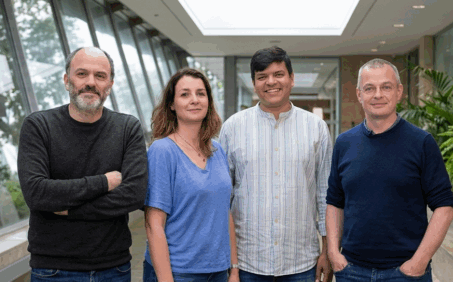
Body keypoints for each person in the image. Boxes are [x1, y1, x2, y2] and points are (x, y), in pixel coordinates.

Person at [17, 46, 148, 282]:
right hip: (53, 270)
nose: (91, 82)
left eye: (100, 76)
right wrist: (105, 181)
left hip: (114, 269)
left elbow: (135, 195)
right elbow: (37, 193)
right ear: (67, 81)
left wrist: (69, 208)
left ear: (110, 84)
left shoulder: (128, 129)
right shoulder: (39, 126)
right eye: (81, 74)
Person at [325, 59, 453, 282]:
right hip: (352, 271)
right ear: (359, 94)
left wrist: (419, 262)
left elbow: (444, 206)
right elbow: (335, 202)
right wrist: (334, 254)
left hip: (406, 272)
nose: (377, 95)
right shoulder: (344, 143)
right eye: (369, 88)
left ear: (399, 92)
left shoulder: (422, 142)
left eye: (385, 87)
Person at [219, 46, 333, 282]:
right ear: (254, 83)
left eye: (278, 74)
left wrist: (327, 251)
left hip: (301, 261)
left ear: (291, 79)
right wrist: (230, 263)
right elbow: (223, 197)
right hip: (248, 261)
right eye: (262, 77)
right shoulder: (233, 127)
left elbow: (325, 194)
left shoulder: (316, 127)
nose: (271, 82)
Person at [143, 68, 238, 282]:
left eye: (200, 93)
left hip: (219, 271)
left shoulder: (217, 150)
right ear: (171, 104)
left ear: (209, 101)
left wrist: (234, 269)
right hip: (178, 272)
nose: (194, 100)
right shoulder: (162, 151)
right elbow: (153, 224)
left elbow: (225, 213)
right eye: (185, 94)